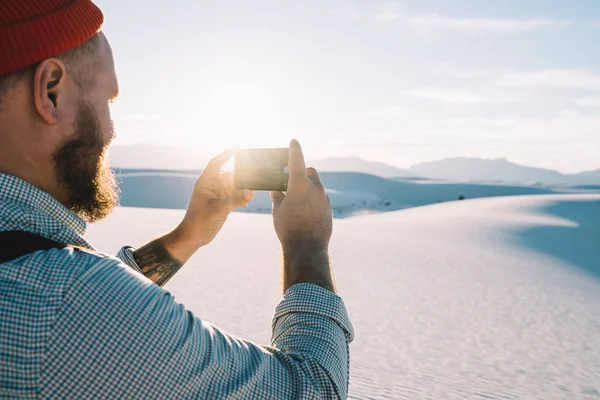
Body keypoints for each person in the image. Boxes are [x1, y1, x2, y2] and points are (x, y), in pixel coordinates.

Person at [0, 0, 354, 399]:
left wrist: (186, 236)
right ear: (51, 91)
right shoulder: (66, 302)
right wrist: (306, 246)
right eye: (108, 100)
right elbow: (313, 389)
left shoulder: (50, 291)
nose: (112, 129)